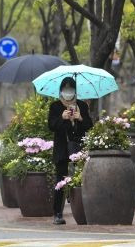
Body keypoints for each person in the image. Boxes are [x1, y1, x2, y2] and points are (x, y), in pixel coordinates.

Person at [48, 77, 93, 225]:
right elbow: (51, 126)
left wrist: (80, 118)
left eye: (71, 89)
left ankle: (82, 211)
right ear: (61, 90)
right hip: (62, 148)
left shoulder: (82, 106)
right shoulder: (55, 106)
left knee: (80, 179)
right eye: (65, 89)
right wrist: (62, 118)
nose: (68, 92)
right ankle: (58, 213)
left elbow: (89, 125)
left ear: (75, 90)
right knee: (60, 180)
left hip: (77, 147)